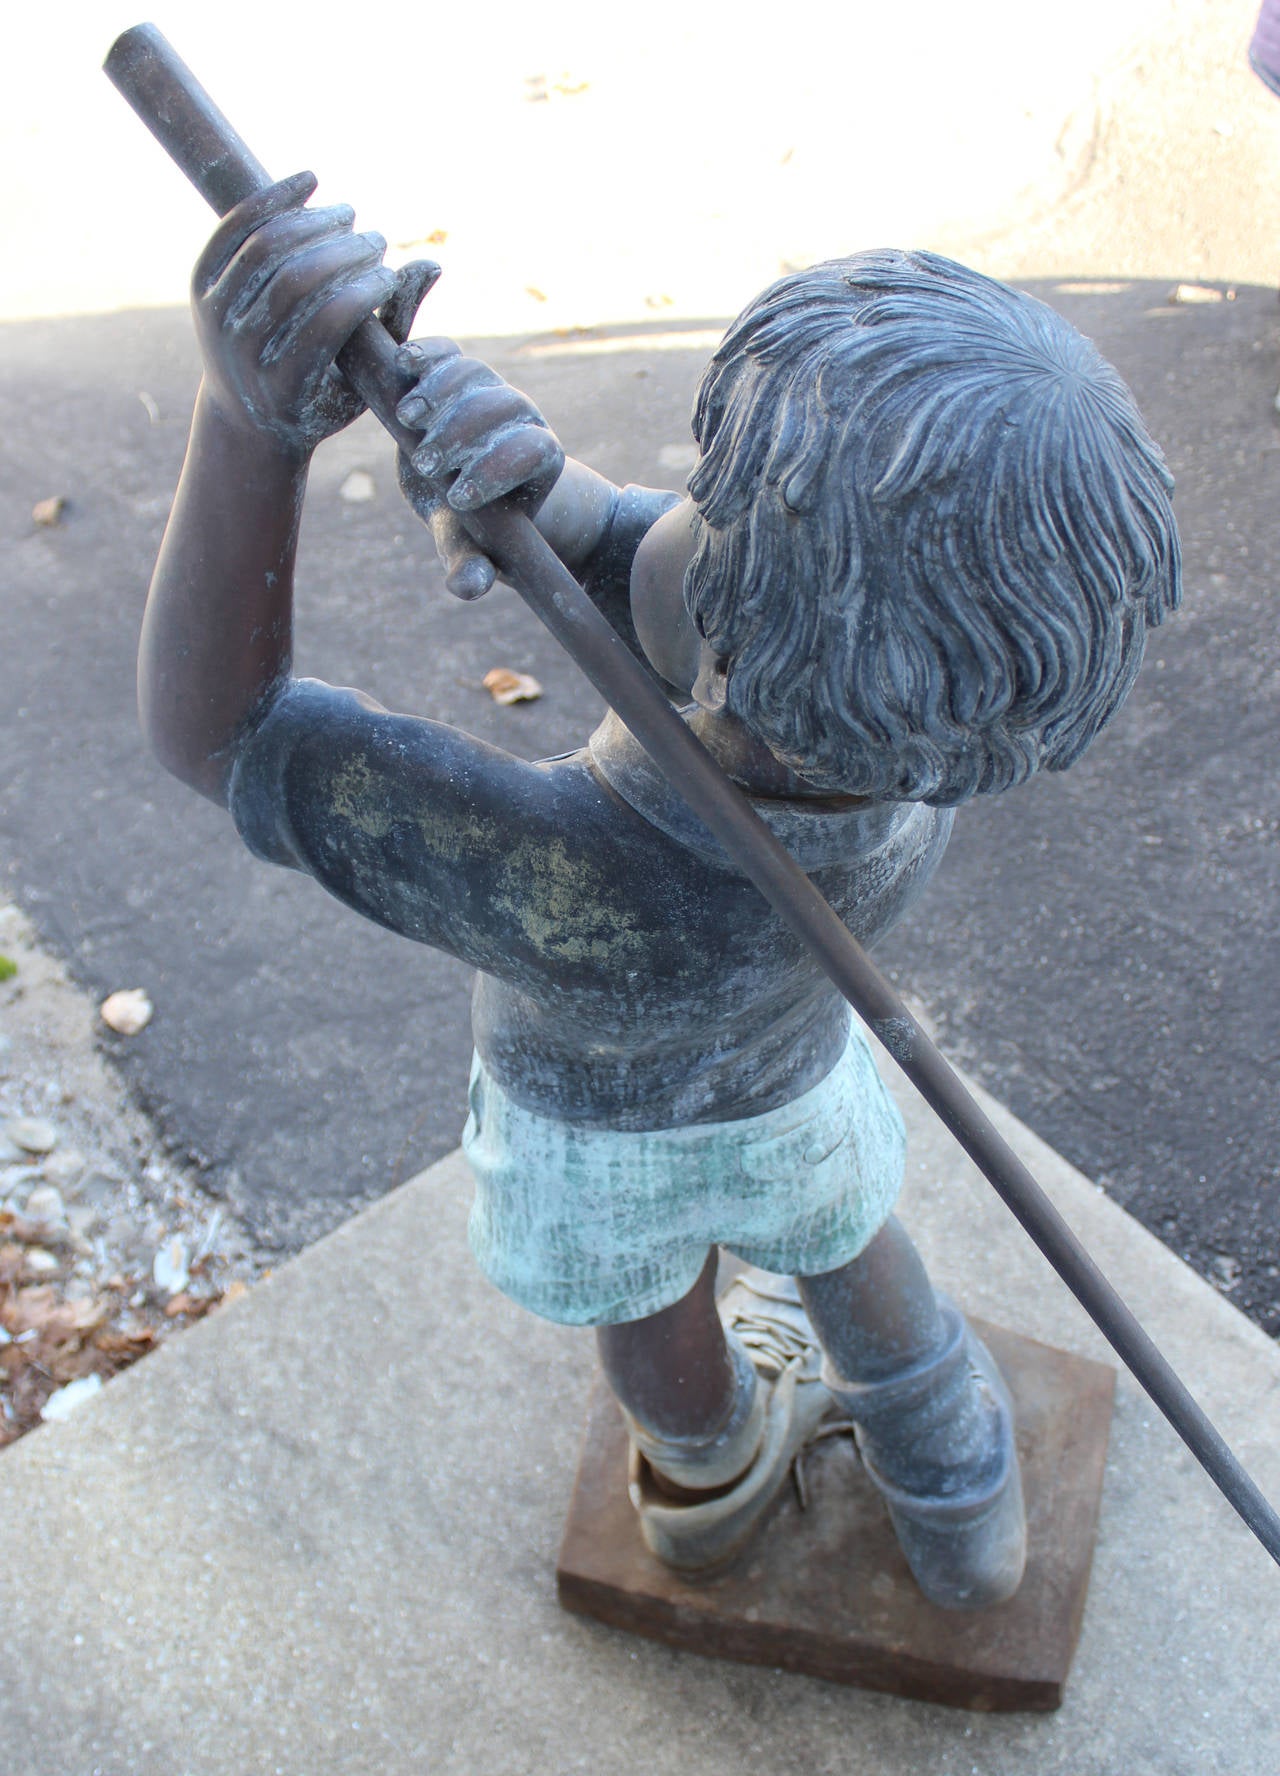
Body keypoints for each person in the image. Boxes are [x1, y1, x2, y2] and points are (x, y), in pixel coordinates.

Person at [139, 173, 1181, 1609]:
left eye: (707, 500)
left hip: (598, 1129)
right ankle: (950, 1471)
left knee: (651, 1301)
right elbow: (716, 612)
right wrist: (551, 499)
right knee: (838, 1224)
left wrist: (244, 428)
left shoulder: (585, 878)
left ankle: (703, 1476)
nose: (662, 507)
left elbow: (225, 734)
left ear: (733, 663)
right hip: (793, 1068)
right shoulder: (924, 755)